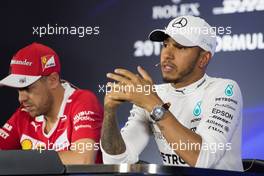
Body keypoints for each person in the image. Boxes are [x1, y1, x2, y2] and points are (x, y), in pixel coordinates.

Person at [100, 15, 243, 171]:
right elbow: (117, 159)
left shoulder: (225, 89)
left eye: (180, 47)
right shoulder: (153, 94)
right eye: (165, 45)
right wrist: (109, 112)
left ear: (203, 59)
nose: (167, 55)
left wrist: (153, 104)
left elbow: (202, 159)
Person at [0, 42, 103, 164]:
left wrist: (23, 160)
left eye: (27, 88)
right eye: (18, 89)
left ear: (53, 80)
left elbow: (83, 160)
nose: (21, 98)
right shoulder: (24, 113)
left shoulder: (83, 101)